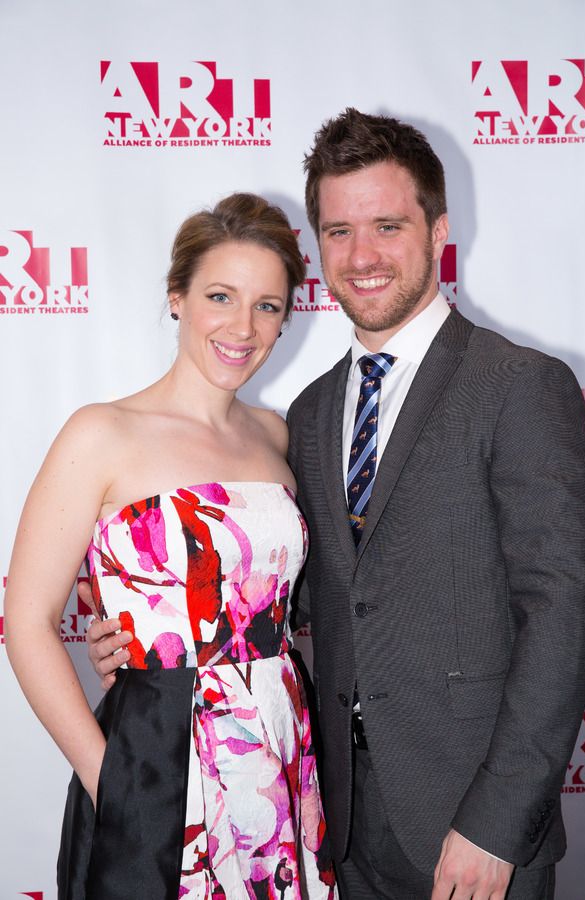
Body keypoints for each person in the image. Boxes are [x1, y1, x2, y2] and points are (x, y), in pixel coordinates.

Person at [86, 110, 585, 900]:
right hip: (325, 818)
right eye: (337, 231)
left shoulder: (520, 386)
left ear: (437, 232)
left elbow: (562, 613)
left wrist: (497, 823)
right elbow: (283, 592)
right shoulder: (314, 413)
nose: (361, 257)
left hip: (471, 829)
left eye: (387, 226)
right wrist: (141, 630)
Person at [4, 193, 337, 900]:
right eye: (221, 296)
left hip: (279, 753)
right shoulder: (101, 434)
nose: (242, 327)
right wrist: (111, 779)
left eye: (268, 306)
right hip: (156, 758)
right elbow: (28, 622)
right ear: (177, 298)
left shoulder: (277, 436)